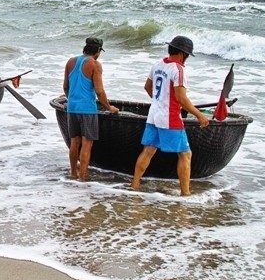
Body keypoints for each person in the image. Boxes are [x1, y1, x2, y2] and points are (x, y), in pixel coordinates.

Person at [131, 35, 210, 196]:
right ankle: (185, 193)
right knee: (185, 154)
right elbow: (181, 98)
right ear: (182, 54)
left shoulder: (158, 64)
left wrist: (159, 101)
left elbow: (147, 87)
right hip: (170, 117)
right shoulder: (179, 70)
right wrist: (199, 115)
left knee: (148, 150)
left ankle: (135, 184)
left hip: (154, 115)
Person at [62, 37, 119, 181]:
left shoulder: (70, 62)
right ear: (98, 51)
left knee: (74, 142)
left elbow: (65, 86)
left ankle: (73, 173)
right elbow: (99, 91)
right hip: (87, 109)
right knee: (87, 144)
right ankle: (82, 177)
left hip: (72, 107)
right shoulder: (95, 65)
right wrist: (109, 107)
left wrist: (72, 99)